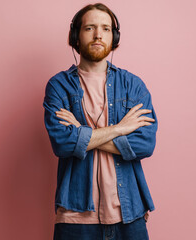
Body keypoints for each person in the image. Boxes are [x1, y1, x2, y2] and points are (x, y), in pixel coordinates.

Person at [43, 3, 158, 240]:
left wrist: (81, 134)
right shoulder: (59, 86)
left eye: (106, 28)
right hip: (76, 217)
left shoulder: (133, 85)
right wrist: (120, 129)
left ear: (114, 36)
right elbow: (62, 144)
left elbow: (145, 144)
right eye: (90, 28)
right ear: (76, 36)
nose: (98, 35)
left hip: (129, 215)